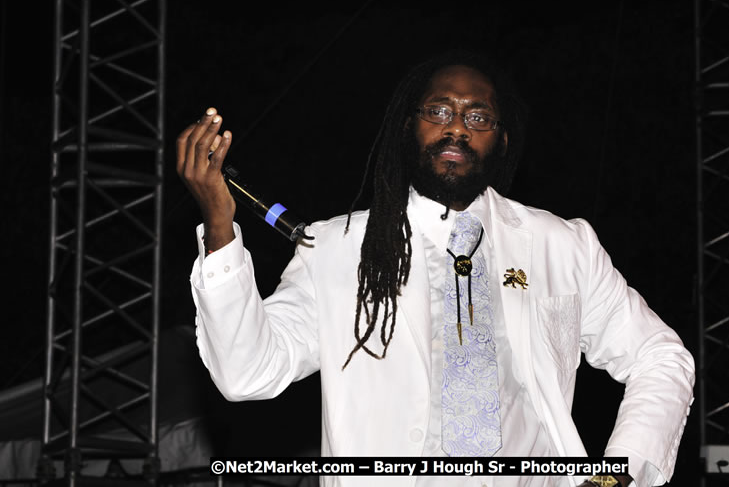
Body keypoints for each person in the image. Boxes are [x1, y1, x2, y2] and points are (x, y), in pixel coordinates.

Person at [176, 52, 695, 487]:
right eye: (439, 111)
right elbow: (247, 372)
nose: (456, 128)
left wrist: (620, 475)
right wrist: (220, 228)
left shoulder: (561, 245)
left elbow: (661, 357)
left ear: (503, 140)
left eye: (478, 117)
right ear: (409, 128)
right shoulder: (336, 248)